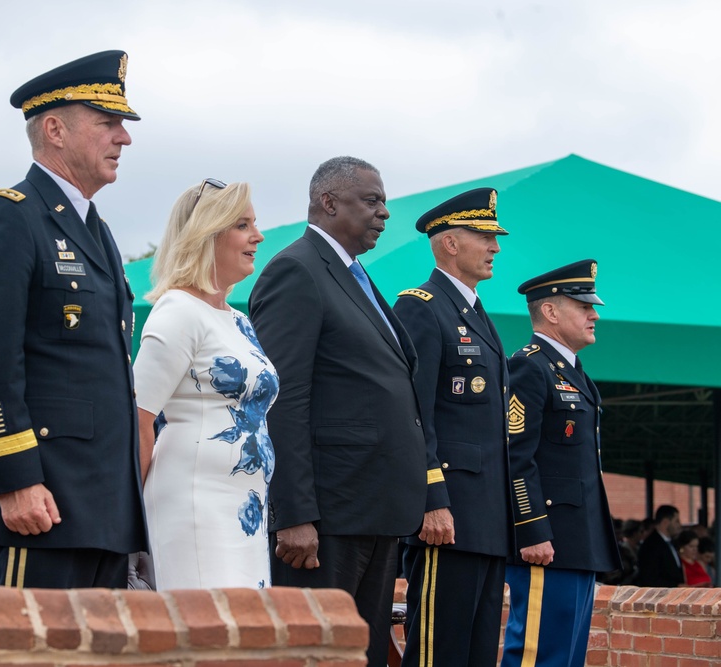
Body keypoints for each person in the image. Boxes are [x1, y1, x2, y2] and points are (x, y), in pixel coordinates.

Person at [0, 50, 145, 589]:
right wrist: (13, 479)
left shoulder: (98, 230)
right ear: (55, 129)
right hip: (41, 504)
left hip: (102, 508)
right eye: (108, 123)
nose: (124, 138)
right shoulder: (10, 217)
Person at [248, 156, 427, 667]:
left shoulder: (354, 276)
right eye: (371, 201)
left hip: (374, 509)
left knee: (361, 655)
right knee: (318, 654)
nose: (385, 213)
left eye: (384, 201)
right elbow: (283, 399)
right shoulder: (297, 269)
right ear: (329, 202)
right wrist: (295, 513)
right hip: (327, 518)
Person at [133, 180, 277, 590]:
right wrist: (129, 516)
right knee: (207, 637)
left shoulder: (239, 321)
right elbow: (139, 418)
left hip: (246, 508)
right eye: (243, 224)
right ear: (206, 235)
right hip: (194, 505)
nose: (258, 235)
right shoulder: (177, 311)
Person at [391, 187, 512, 667]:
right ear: (450, 243)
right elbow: (413, 413)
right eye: (485, 236)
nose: (495, 247)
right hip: (449, 516)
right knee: (438, 653)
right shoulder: (422, 306)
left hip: (485, 518)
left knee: (479, 653)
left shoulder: (477, 313)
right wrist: (432, 499)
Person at [499, 259, 621, 667]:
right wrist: (531, 530)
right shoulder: (530, 367)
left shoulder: (573, 373)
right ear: (550, 311)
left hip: (577, 541)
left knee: (567, 657)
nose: (595, 314)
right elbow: (516, 457)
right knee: (537, 653)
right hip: (546, 543)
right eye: (584, 305)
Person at [636, 505, 683, 587]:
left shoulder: (672, 543)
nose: (679, 525)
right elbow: (649, 578)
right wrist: (676, 586)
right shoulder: (651, 546)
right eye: (676, 521)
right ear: (665, 522)